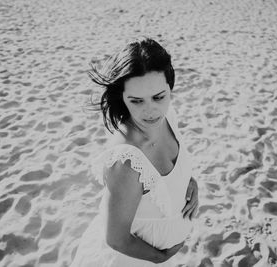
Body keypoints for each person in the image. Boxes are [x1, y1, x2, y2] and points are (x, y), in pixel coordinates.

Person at [72, 37, 199, 266]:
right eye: (137, 101)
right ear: (122, 98)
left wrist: (189, 184)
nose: (150, 110)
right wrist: (160, 258)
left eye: (158, 97)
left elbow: (171, 174)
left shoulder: (169, 117)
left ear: (170, 88)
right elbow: (116, 239)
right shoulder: (126, 161)